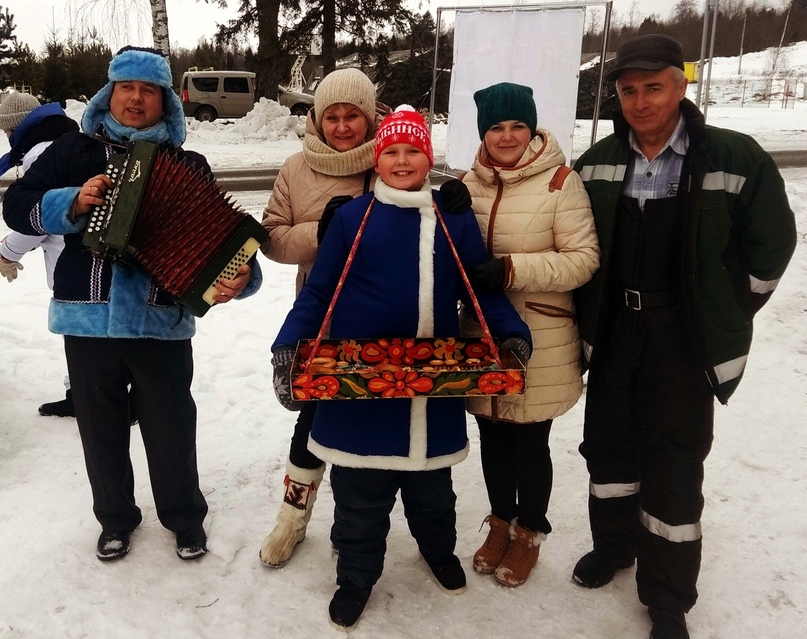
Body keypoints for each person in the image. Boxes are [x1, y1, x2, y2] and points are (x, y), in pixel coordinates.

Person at [270, 106, 532, 631]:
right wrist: (288, 346)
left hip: (431, 387)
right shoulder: (352, 218)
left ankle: (438, 550)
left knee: (432, 493)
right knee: (359, 499)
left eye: (413, 150)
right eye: (391, 150)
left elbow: (479, 289)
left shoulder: (452, 217)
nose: (402, 160)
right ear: (377, 159)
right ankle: (355, 576)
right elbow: (319, 292)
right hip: (359, 388)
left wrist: (509, 331)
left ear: (428, 158)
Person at [571, 34, 797, 639]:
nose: (640, 102)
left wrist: (727, 308)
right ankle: (613, 546)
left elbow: (772, 245)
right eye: (628, 90)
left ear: (680, 85)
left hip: (682, 336)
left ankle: (668, 595)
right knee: (609, 449)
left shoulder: (735, 157)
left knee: (673, 458)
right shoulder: (594, 164)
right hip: (615, 331)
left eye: (653, 87)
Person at [3, 46, 263, 563]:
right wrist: (71, 202)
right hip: (87, 319)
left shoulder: (187, 164)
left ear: (166, 102)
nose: (136, 99)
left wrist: (240, 276)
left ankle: (185, 519)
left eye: (148, 91)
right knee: (99, 431)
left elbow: (220, 240)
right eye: (127, 88)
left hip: (160, 322)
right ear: (110, 93)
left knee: (172, 428)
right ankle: (115, 520)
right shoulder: (72, 151)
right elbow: (17, 206)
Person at [258, 68, 471, 568]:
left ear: (370, 118)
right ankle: (293, 518)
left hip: (378, 328)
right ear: (317, 119)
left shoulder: (388, 155)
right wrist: (321, 231)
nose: (341, 126)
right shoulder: (297, 167)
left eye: (351, 115)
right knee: (310, 427)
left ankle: (357, 523)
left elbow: (418, 199)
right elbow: (273, 238)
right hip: (321, 317)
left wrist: (458, 196)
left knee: (365, 433)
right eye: (331, 116)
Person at [459, 82, 599, 587]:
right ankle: (500, 523)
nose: (507, 136)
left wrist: (513, 270)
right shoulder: (468, 184)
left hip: (542, 334)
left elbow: (583, 260)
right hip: (482, 334)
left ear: (532, 127)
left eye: (518, 125)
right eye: (496, 127)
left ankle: (529, 534)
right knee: (492, 433)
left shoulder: (561, 182)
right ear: (483, 132)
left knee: (530, 440)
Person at [0, 91, 82, 417]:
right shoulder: (66, 141)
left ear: (18, 127)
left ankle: (89, 398)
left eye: (8, 130)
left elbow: (40, 218)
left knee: (79, 332)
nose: (8, 137)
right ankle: (89, 393)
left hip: (70, 261)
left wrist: (7, 252)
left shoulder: (39, 154)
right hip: (82, 254)